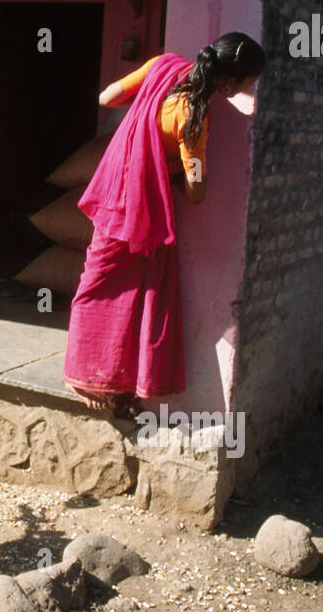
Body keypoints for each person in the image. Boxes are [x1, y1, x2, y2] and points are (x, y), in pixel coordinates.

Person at [64, 33, 265, 411]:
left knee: (101, 281)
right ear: (230, 83)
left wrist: (143, 122)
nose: (249, 90)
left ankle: (105, 378)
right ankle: (89, 378)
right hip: (140, 208)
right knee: (121, 290)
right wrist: (169, 164)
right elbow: (197, 191)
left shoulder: (162, 65)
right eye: (248, 84)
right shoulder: (194, 119)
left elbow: (106, 98)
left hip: (114, 189)